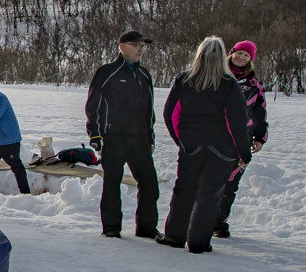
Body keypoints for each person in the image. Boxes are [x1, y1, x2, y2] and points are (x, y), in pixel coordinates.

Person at [157, 37, 251, 254]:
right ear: (222, 57)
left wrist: (181, 141)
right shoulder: (229, 85)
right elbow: (237, 122)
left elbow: (171, 115)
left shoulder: (185, 80)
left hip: (192, 145)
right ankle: (199, 243)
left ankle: (174, 236)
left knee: (184, 189)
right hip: (222, 149)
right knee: (210, 195)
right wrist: (244, 152)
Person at [85, 29, 160, 239]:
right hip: (113, 137)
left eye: (143, 46)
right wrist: (96, 133)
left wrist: (150, 136)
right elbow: (94, 104)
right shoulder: (107, 72)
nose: (140, 50)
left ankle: (146, 228)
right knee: (112, 184)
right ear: (122, 47)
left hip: (139, 139)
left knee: (149, 184)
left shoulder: (144, 74)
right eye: (136, 45)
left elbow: (149, 109)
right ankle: (111, 228)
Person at [214, 40, 268, 237]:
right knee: (208, 180)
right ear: (231, 54)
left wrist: (260, 137)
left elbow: (260, 112)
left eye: (246, 55)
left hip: (240, 140)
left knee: (230, 184)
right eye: (239, 54)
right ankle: (197, 220)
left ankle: (219, 224)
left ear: (250, 60)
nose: (241, 58)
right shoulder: (217, 75)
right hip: (214, 136)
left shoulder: (254, 84)